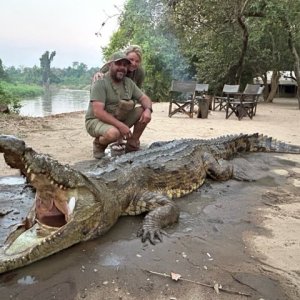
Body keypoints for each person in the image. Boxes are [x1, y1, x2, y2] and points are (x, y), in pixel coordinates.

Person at [85, 51, 153, 159]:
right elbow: (98, 112)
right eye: (118, 64)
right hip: (96, 120)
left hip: (117, 117)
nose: (122, 67)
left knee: (142, 111)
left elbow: (144, 98)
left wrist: (148, 110)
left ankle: (132, 143)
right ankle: (99, 144)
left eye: (125, 65)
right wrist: (121, 126)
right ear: (109, 65)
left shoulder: (129, 82)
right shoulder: (100, 82)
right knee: (114, 133)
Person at [93, 45, 146, 152]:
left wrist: (147, 109)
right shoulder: (111, 66)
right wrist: (98, 74)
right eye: (131, 60)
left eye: (137, 61)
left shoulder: (139, 72)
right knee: (115, 117)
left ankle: (132, 141)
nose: (134, 63)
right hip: (110, 101)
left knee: (132, 107)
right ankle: (106, 139)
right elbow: (99, 78)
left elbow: (139, 92)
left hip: (128, 98)